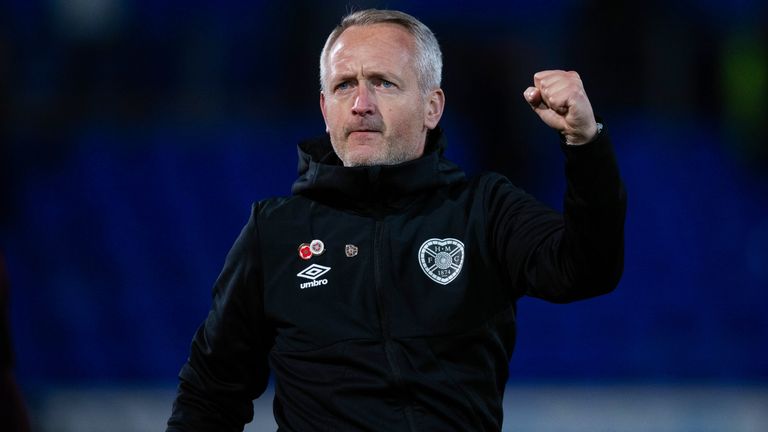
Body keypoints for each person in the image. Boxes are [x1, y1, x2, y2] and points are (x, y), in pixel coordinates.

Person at [167, 9, 625, 432]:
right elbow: (209, 394)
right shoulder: (276, 232)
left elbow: (586, 269)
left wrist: (586, 144)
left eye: (384, 83)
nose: (361, 103)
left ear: (432, 106)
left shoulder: (483, 209)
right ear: (325, 109)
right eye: (344, 85)